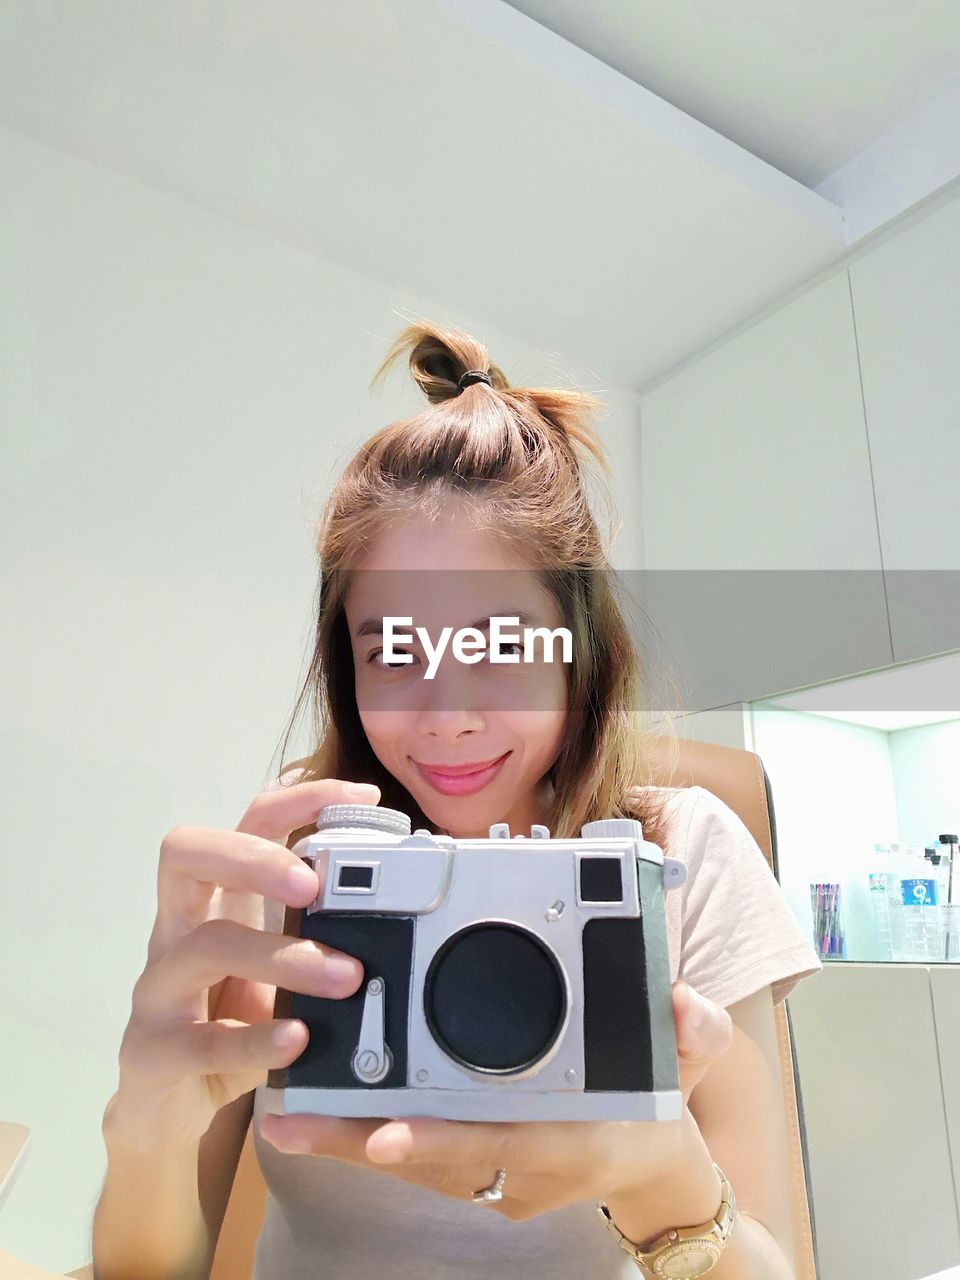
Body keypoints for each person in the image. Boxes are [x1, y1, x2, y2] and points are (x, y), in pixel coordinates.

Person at [92, 321, 822, 1280]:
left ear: (581, 649)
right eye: (393, 652)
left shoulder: (680, 854)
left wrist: (663, 1184)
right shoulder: (305, 861)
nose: (449, 718)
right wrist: (145, 1125)